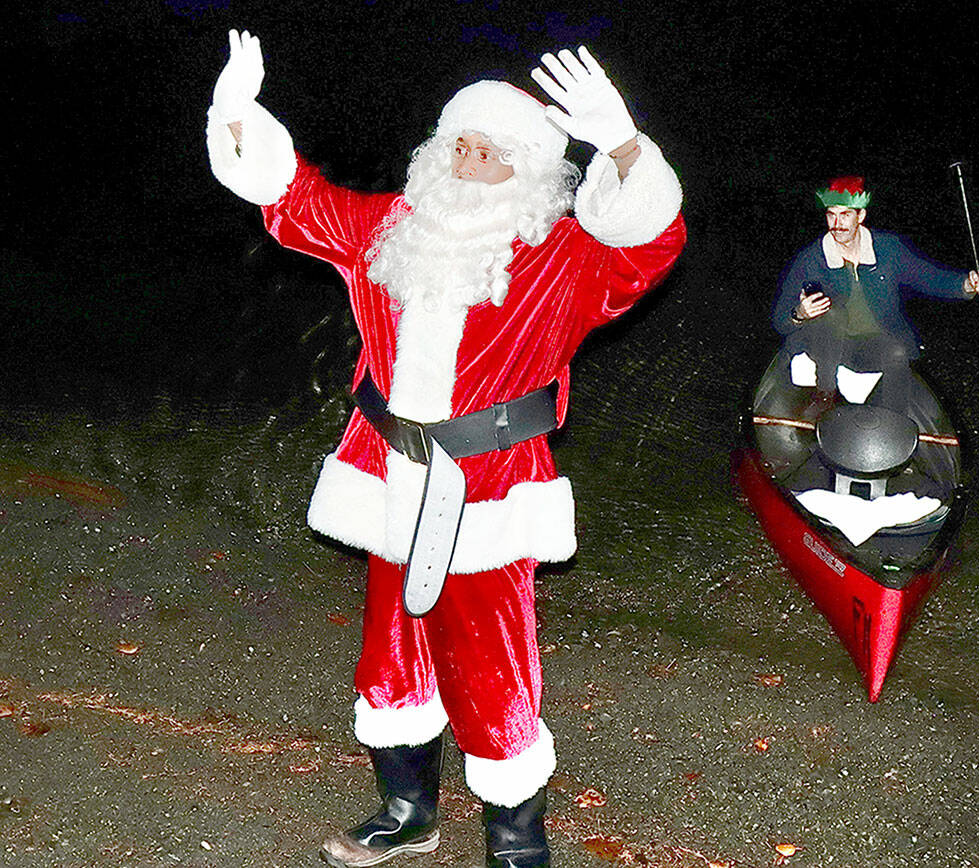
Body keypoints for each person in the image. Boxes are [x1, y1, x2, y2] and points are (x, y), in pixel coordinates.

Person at [205, 30, 684, 868]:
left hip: (491, 486)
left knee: (490, 670)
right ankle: (407, 810)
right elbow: (294, 199)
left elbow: (649, 244)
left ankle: (515, 839)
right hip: (386, 474)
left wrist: (625, 146)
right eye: (458, 143)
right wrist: (238, 114)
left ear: (530, 170)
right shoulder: (390, 228)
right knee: (391, 658)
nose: (468, 160)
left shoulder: (565, 256)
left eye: (491, 151)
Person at [771, 176, 979, 403]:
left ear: (861, 216)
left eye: (845, 214)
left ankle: (894, 421)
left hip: (871, 345)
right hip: (826, 349)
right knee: (832, 313)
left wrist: (968, 284)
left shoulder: (888, 249)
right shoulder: (810, 259)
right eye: (831, 214)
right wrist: (799, 314)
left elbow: (930, 278)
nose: (836, 223)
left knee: (897, 352)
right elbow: (780, 320)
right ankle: (824, 398)